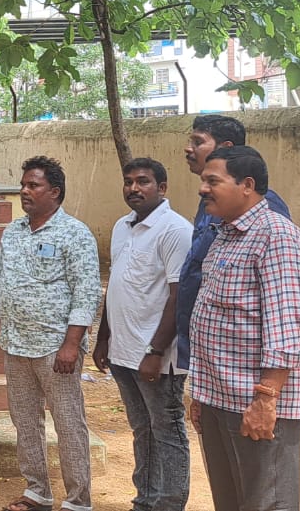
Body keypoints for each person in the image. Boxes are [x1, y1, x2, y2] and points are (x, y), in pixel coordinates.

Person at [189, 146, 300, 511]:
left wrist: (266, 399)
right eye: (203, 181)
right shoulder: (225, 236)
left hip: (253, 402)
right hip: (218, 398)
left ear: (247, 185)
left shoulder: (277, 237)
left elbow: (285, 327)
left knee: (266, 502)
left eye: (213, 181)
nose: (202, 189)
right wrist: (201, 395)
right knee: (230, 501)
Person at [0, 155, 100, 511]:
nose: (24, 191)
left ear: (55, 192)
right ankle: (37, 492)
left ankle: (78, 500)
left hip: (55, 349)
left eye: (33, 185)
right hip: (16, 345)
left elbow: (86, 292)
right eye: (23, 185)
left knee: (68, 424)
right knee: (25, 422)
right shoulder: (14, 232)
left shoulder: (75, 233)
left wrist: (71, 344)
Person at [93, 158, 194, 511]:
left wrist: (155, 351)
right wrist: (103, 337)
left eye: (143, 181)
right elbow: (117, 284)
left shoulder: (175, 230)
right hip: (122, 351)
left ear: (162, 188)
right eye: (128, 181)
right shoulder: (122, 226)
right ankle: (145, 501)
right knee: (142, 429)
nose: (134, 188)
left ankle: (169, 504)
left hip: (155, 356)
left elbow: (179, 297)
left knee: (167, 432)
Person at [175, 115, 289, 372]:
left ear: (225, 147)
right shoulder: (211, 204)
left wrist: (270, 384)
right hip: (210, 354)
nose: (188, 149)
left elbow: (282, 312)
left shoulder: (268, 214)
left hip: (242, 362)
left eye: (198, 142)